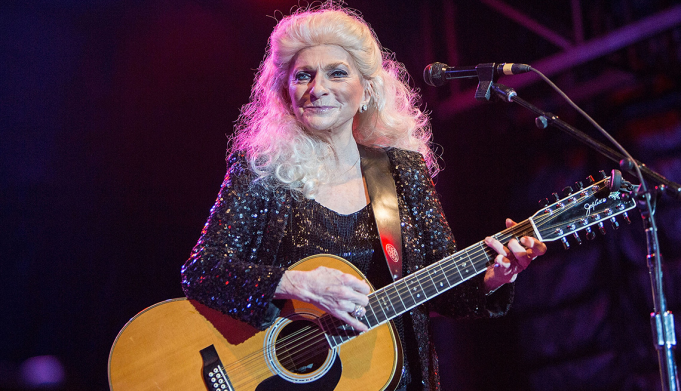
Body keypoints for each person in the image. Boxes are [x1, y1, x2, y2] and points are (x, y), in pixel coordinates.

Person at [181, 3, 547, 390]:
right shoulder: (261, 174)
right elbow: (203, 272)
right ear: (286, 94)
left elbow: (443, 291)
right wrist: (294, 283)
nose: (317, 88)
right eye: (303, 75)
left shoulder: (403, 173)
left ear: (368, 90)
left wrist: (493, 278)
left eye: (337, 73)